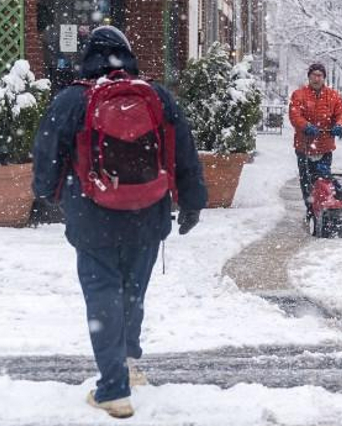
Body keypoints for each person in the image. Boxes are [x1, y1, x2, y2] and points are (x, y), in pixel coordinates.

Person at [33, 26, 207, 419]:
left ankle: (113, 388)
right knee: (132, 291)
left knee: (103, 296)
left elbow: (47, 152)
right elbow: (185, 151)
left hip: (92, 215)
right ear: (128, 55)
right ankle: (129, 361)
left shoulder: (72, 99)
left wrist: (48, 194)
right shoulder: (157, 96)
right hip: (148, 214)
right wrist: (193, 203)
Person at [288, 63, 342, 217]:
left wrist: (339, 125)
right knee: (307, 180)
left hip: (325, 146)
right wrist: (306, 126)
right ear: (309, 77)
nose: (317, 78)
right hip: (304, 146)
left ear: (324, 78)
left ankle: (322, 207)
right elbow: (295, 115)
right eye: (314, 75)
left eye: (320, 75)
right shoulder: (299, 95)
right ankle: (310, 208)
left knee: (323, 179)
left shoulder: (333, 96)